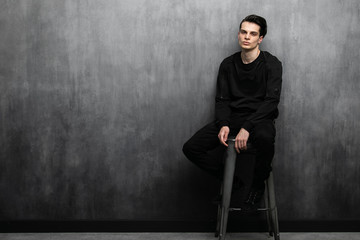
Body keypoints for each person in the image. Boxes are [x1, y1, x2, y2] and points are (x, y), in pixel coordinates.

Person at [183, 14, 282, 208]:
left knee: (264, 137)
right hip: (234, 118)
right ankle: (234, 183)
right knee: (191, 147)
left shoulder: (272, 64)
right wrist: (224, 124)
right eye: (243, 32)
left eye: (253, 34)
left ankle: (256, 185)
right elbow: (222, 100)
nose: (247, 37)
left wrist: (247, 127)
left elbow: (271, 102)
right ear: (238, 34)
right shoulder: (227, 65)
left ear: (260, 39)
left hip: (260, 119)